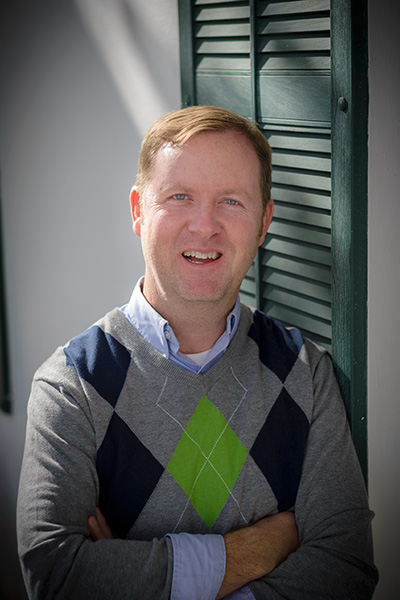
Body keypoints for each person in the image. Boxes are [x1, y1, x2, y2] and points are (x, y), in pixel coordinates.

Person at [17, 105, 378, 599]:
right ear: (138, 210)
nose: (205, 226)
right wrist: (262, 547)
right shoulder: (72, 386)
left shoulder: (305, 373)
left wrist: (139, 576)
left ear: (263, 222)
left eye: (231, 201)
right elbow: (56, 577)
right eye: (179, 197)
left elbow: (346, 569)